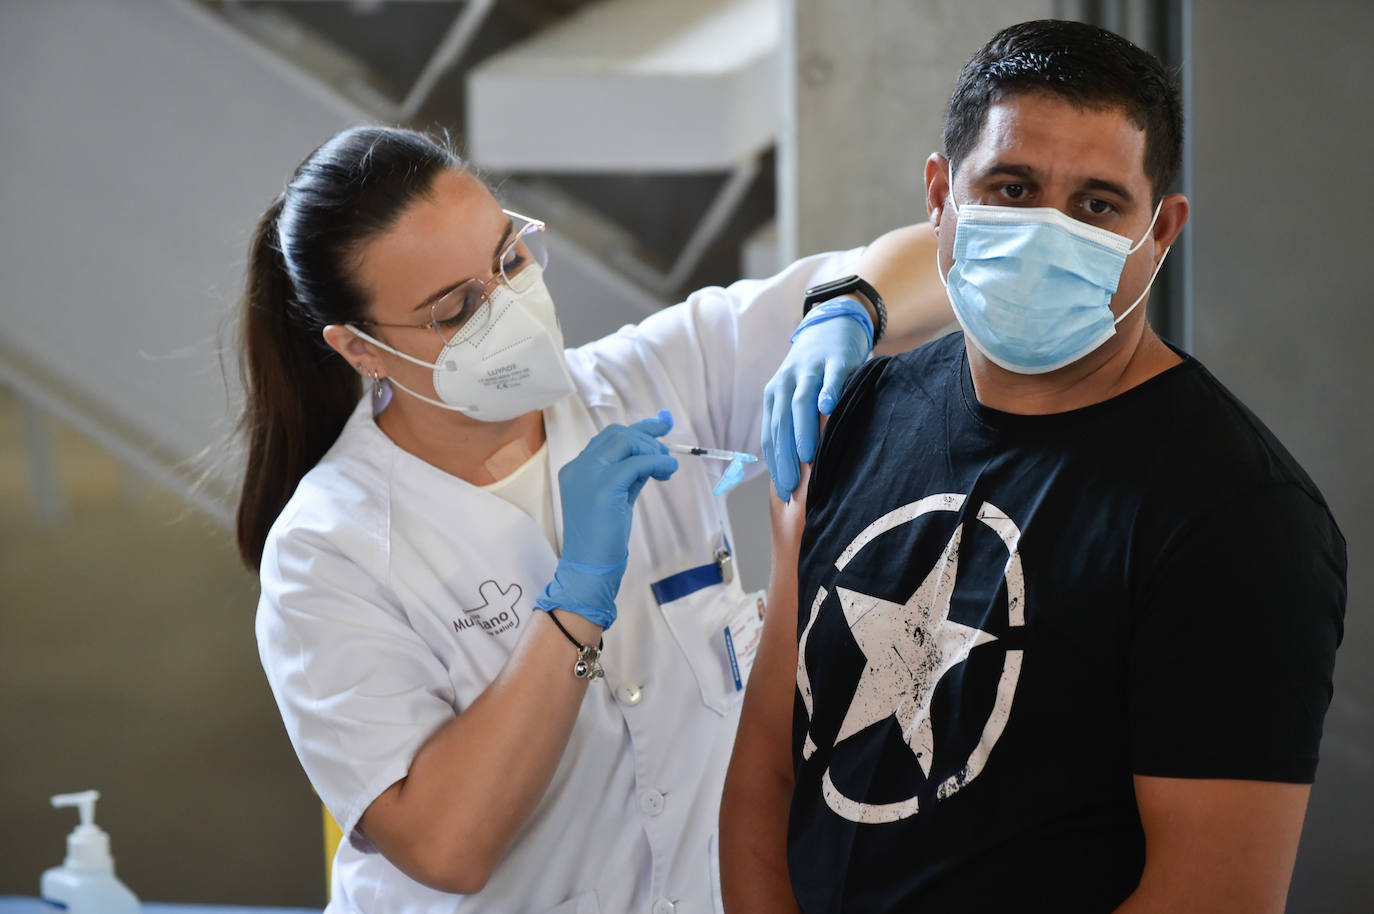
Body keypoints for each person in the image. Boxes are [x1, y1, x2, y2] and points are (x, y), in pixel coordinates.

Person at [235, 125, 950, 913]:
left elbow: (944, 260)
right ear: (360, 348)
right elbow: (447, 847)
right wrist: (575, 601)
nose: (508, 306)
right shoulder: (326, 550)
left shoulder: (653, 380)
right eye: (457, 308)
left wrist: (847, 310)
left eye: (510, 259)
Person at [721, 19, 1346, 914]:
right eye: (1012, 189)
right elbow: (769, 773)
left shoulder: (1238, 517)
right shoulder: (853, 415)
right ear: (941, 194)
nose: (1046, 231)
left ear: (1161, 231)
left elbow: (1211, 894)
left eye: (1096, 206)